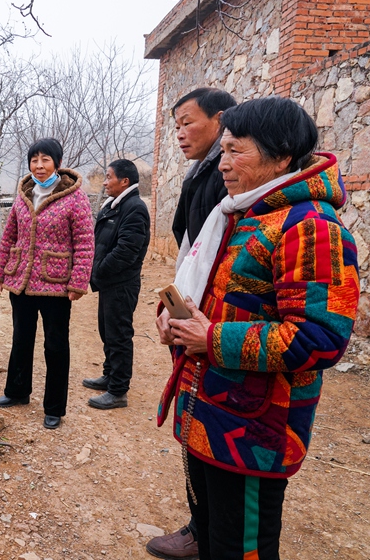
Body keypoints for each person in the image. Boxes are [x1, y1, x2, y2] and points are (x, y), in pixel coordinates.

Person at [155, 96, 359, 559]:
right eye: (222, 151)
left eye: (235, 151)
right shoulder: (245, 214)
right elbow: (219, 298)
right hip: (211, 411)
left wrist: (210, 339)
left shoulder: (311, 228)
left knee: (242, 546)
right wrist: (177, 322)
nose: (222, 164)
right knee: (211, 534)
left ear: (282, 154)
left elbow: (318, 338)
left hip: (254, 427)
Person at [147, 86, 237, 560]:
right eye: (175, 125)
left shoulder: (234, 186)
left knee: (213, 438)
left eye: (188, 122)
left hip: (218, 333)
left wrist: (210, 331)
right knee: (192, 427)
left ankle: (205, 532)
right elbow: (192, 248)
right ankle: (198, 527)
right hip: (193, 320)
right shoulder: (201, 175)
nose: (180, 133)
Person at [0, 137, 94, 430]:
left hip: (56, 284)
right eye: (34, 160)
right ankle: (17, 391)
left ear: (57, 164)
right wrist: (0, 273)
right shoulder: (24, 194)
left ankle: (54, 407)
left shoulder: (75, 198)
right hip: (21, 282)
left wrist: (78, 281)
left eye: (45, 159)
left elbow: (85, 243)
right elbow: (9, 236)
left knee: (56, 345)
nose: (39, 165)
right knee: (21, 339)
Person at [83, 159, 150, 409]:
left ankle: (118, 390)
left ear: (125, 181)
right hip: (108, 282)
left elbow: (126, 251)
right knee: (107, 331)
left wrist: (99, 270)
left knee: (119, 335)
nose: (104, 182)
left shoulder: (134, 208)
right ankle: (109, 374)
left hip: (121, 284)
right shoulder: (114, 205)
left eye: (109, 177)